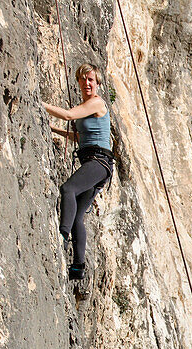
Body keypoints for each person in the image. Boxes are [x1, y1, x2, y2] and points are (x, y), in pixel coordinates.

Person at [42, 63, 114, 282]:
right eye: (83, 79)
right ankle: (78, 266)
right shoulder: (86, 107)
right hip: (97, 164)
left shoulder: (97, 103)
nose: (87, 83)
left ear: (98, 84)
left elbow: (67, 115)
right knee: (78, 216)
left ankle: (62, 236)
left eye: (91, 79)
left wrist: (39, 102)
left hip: (98, 162)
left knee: (68, 189)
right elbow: (77, 137)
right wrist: (52, 129)